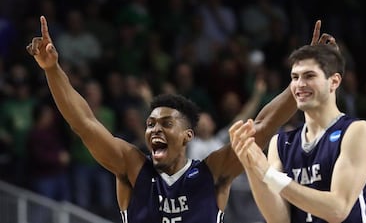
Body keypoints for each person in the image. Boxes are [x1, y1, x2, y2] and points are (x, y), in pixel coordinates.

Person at [26, 16, 326, 223]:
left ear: (187, 136)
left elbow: (262, 126)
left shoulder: (213, 172)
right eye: (150, 124)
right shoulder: (132, 166)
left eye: (166, 124)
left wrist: (303, 79)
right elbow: (85, 123)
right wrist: (52, 70)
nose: (155, 129)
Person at [228, 42, 366, 222]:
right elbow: (279, 219)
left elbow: (338, 209)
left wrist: (269, 174)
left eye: (309, 76)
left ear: (334, 81)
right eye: (294, 77)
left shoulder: (359, 132)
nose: (300, 84)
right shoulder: (281, 143)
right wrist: (252, 166)